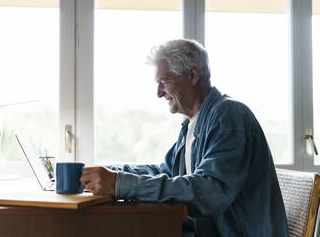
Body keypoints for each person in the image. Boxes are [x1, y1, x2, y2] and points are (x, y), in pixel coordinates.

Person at [80, 39, 289, 236]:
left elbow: (209, 191)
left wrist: (120, 184)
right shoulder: (194, 124)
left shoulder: (228, 115)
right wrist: (104, 174)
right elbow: (164, 172)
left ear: (192, 75)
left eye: (164, 81)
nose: (159, 93)